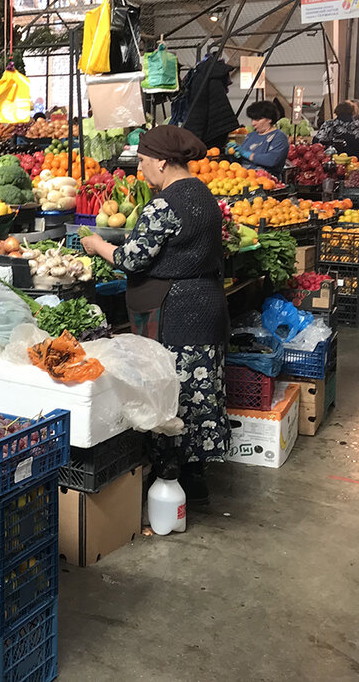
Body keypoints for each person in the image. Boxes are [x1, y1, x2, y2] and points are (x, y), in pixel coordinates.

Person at [81, 125, 230, 504]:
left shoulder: (164, 204)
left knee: (170, 390)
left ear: (162, 162)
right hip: (208, 305)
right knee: (201, 393)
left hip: (177, 311)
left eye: (144, 162)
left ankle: (169, 478)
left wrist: (98, 245)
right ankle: (194, 480)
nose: (141, 170)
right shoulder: (203, 194)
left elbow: (132, 259)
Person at [239, 101, 289, 173]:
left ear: (269, 119)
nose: (253, 123)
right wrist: (233, 154)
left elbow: (272, 160)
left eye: (257, 119)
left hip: (266, 181)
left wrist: (248, 154)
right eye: (252, 119)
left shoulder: (279, 137)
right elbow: (240, 161)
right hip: (242, 178)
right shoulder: (250, 136)